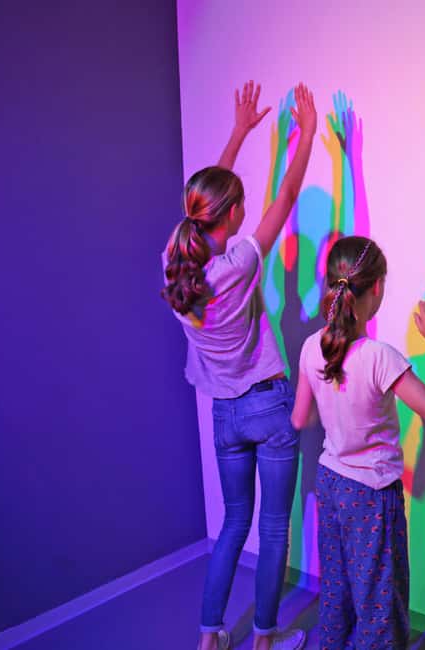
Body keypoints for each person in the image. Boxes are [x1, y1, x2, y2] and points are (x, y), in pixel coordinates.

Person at [161, 81, 317, 650]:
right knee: (272, 529)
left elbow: (202, 206)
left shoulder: (174, 266)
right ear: (232, 214)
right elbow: (290, 193)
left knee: (232, 526)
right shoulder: (241, 263)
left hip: (224, 416)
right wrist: (308, 134)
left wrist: (239, 133)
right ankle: (266, 640)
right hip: (268, 407)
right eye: (241, 203)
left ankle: (210, 637)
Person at [289, 236, 425, 649]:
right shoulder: (380, 356)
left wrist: (337, 408)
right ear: (377, 287)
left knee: (337, 591)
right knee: (378, 603)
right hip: (371, 495)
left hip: (331, 483)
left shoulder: (312, 346)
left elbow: (300, 419)